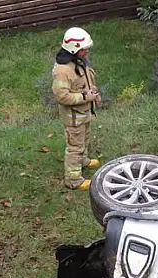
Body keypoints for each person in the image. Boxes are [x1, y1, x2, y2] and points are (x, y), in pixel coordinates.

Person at [51, 26, 101, 190]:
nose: (86, 52)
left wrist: (94, 92)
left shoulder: (79, 62)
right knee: (75, 147)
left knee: (84, 139)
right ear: (73, 49)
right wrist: (85, 97)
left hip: (84, 114)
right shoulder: (63, 71)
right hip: (73, 118)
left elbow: (87, 80)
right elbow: (62, 96)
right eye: (83, 49)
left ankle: (83, 161)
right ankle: (73, 180)